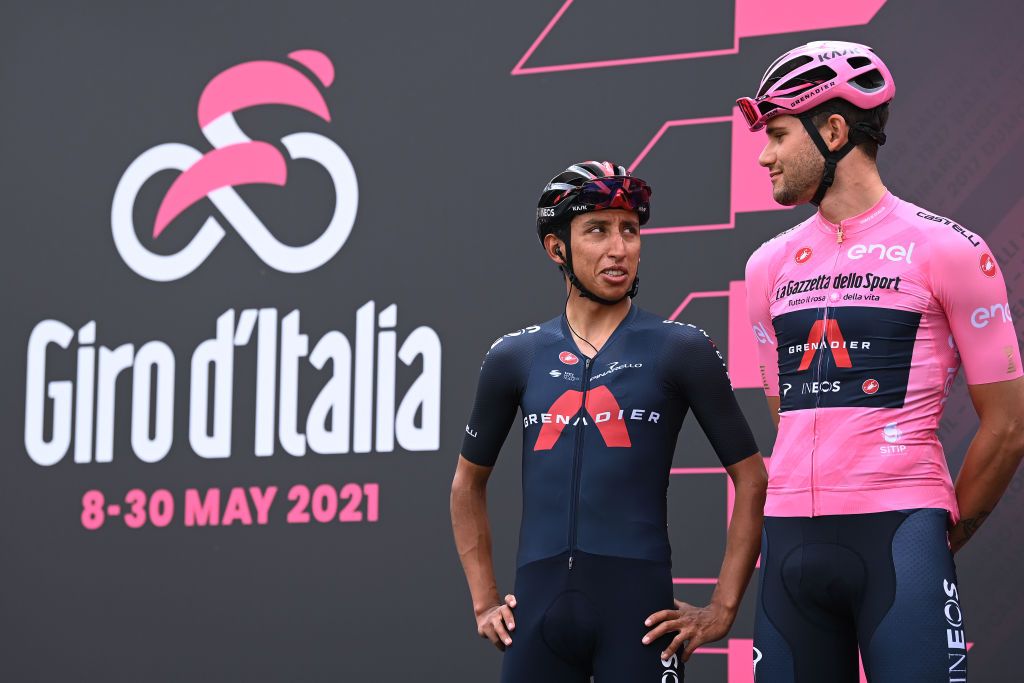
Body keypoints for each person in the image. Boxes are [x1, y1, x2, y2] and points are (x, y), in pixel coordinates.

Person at [738, 40, 1024, 682]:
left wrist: (941, 534)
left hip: (899, 535)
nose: (765, 154)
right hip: (788, 544)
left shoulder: (949, 249)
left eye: (779, 134)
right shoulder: (766, 266)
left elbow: (1008, 426)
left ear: (834, 130)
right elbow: (786, 412)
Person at [450, 161, 768, 682]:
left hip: (637, 616)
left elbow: (752, 479)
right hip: (537, 616)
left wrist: (722, 609)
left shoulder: (681, 348)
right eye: (597, 229)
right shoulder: (514, 356)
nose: (619, 247)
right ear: (557, 249)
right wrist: (485, 601)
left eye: (630, 230)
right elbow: (467, 484)